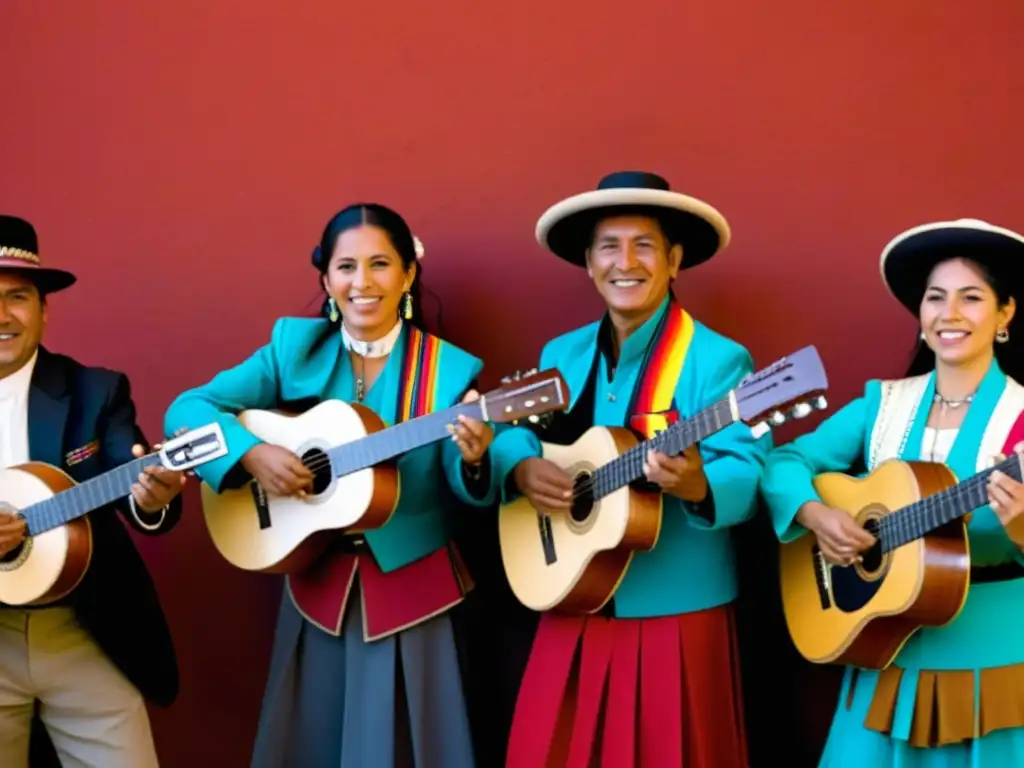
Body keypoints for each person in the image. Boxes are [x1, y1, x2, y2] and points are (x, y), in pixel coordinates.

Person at [163, 203, 494, 768]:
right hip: (317, 583)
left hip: (413, 588)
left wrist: (474, 461)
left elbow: (465, 487)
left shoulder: (448, 372)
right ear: (326, 278)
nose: (362, 283)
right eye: (346, 267)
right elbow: (187, 409)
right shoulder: (295, 350)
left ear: (409, 275)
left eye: (380, 265)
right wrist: (251, 454)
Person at [483, 171, 771, 767]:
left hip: (675, 608)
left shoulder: (719, 359)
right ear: (589, 263)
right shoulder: (561, 354)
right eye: (609, 246)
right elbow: (514, 432)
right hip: (572, 593)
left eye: (644, 245)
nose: (626, 262)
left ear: (674, 260)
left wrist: (698, 483)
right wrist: (519, 471)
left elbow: (747, 464)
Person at [760, 218, 1024, 766]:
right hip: (884, 649)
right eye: (935, 298)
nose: (948, 314)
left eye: (971, 298)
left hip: (993, 662)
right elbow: (786, 461)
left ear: (1005, 314)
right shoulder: (882, 404)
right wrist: (814, 514)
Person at [0, 215, 186, 767]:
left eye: (18, 297)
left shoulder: (94, 390)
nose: (3, 315)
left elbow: (137, 482)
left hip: (82, 627)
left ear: (43, 309)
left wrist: (153, 498)